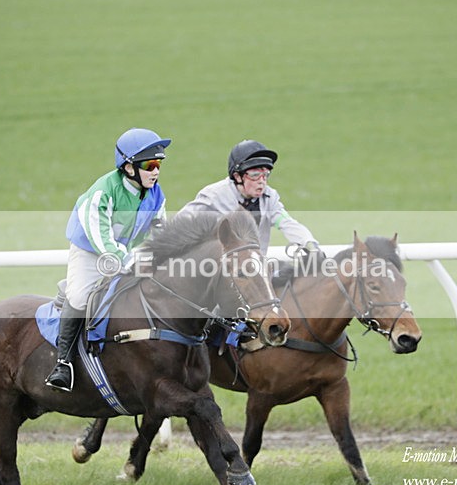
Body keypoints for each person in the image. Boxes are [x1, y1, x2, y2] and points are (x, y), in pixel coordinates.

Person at [45, 127, 171, 392]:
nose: (156, 171)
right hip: (91, 251)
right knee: (80, 298)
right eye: (149, 165)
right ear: (128, 167)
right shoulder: (103, 191)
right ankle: (63, 364)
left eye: (159, 164)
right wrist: (124, 259)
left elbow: (161, 233)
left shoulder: (156, 194)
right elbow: (99, 236)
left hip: (125, 251)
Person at [179, 139, 321, 258]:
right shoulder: (213, 195)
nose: (262, 181)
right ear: (237, 176)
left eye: (265, 174)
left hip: (255, 270)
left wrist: (309, 243)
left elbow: (287, 223)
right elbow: (180, 223)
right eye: (254, 174)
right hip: (218, 271)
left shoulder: (270, 198)